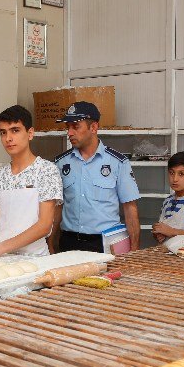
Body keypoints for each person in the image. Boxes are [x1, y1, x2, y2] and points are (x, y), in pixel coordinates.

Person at [0, 105, 62, 257]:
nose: (8, 138)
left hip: (35, 258)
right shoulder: (0, 175)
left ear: (30, 133)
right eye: (3, 132)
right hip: (3, 259)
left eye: (15, 130)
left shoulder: (46, 170)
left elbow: (44, 225)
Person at [49, 101, 140, 254]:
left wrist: (134, 250)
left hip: (105, 244)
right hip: (69, 243)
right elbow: (57, 209)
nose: (69, 133)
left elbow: (130, 210)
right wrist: (51, 244)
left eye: (75, 127)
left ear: (93, 127)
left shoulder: (117, 162)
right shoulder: (61, 163)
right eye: (68, 127)